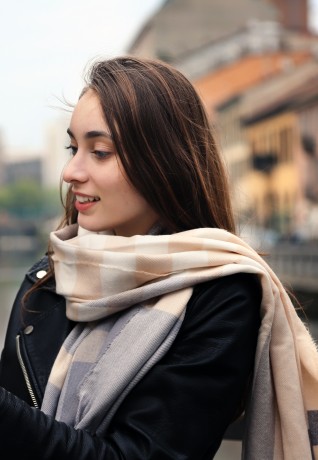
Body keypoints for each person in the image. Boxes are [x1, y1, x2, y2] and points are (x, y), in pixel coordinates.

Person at [0, 56, 317, 460]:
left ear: (162, 162)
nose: (70, 171)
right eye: (73, 147)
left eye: (99, 152)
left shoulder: (221, 295)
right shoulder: (48, 278)